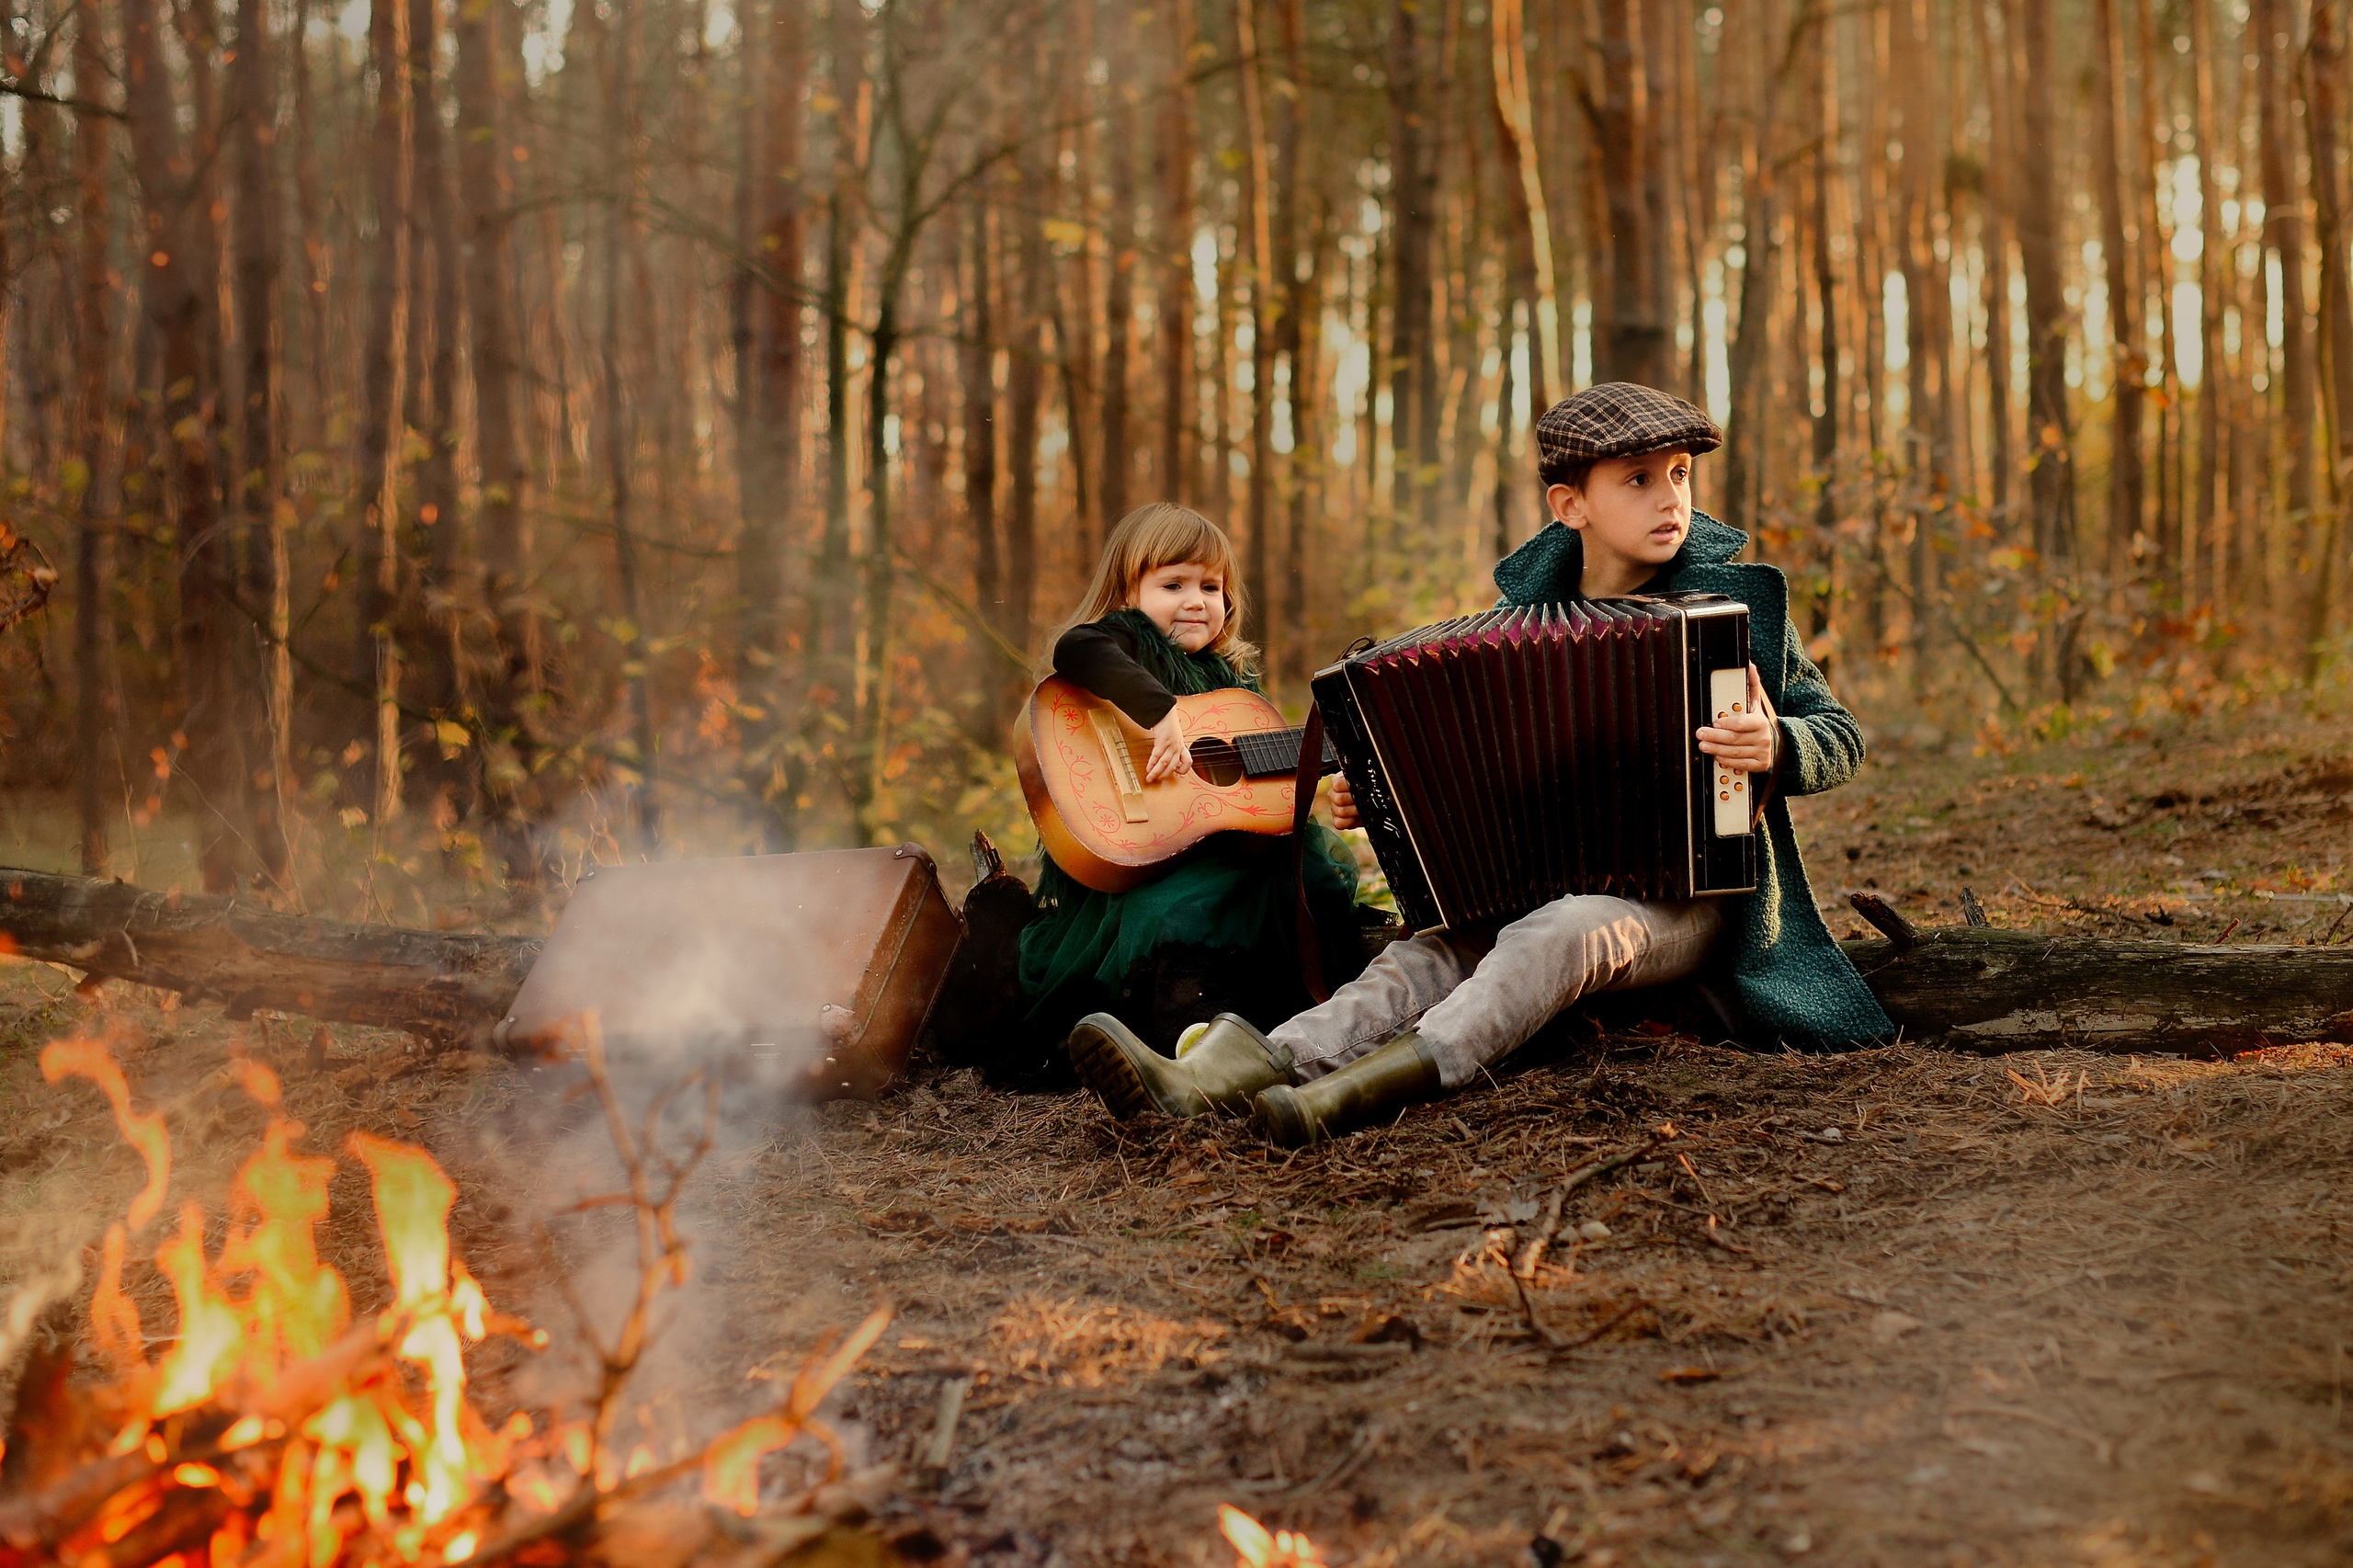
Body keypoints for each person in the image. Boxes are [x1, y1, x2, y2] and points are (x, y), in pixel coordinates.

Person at [1064, 382, 1894, 1144]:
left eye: (1679, 474)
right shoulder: (1517, 622)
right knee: (1419, 955)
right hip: (1529, 884)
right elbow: (1464, 773)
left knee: (1559, 934)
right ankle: (1216, 1077)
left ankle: (1352, 1095)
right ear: (1570, 503)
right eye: (1637, 480)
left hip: (1690, 901)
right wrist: (1379, 796)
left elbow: (1839, 731)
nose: (1670, 497)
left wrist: (1778, 745)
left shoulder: (1732, 607)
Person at [1017, 503, 1365, 1057]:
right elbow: (1076, 648)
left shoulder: (1233, 685)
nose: (1195, 601)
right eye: (1172, 584)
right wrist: (1158, 712)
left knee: (1305, 884)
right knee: (1179, 911)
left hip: (1223, 856)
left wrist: (1353, 783)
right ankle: (1187, 1037)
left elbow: (1265, 787)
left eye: (1211, 586)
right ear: (1128, 594)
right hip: (1141, 864)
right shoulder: (1128, 642)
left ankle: (1272, 1029)